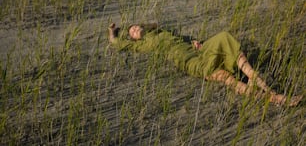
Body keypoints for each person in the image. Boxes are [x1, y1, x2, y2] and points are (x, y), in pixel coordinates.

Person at [108, 23, 302, 106]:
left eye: (134, 27)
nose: (134, 29)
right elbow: (117, 44)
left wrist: (193, 41)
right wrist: (112, 33)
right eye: (132, 32)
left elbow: (185, 38)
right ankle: (276, 98)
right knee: (226, 78)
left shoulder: (162, 32)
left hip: (198, 51)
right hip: (191, 63)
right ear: (133, 39)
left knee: (225, 39)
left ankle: (263, 85)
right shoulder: (144, 45)